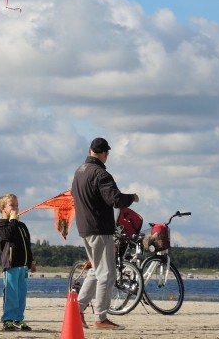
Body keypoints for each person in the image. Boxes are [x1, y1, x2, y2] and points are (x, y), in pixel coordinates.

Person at [71, 137, 139, 331]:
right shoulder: (101, 173)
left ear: (90, 150)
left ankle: (78, 309)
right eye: (107, 153)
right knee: (107, 274)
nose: (107, 156)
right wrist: (131, 197)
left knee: (95, 271)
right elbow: (115, 200)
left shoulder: (79, 172)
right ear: (104, 153)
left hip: (84, 227)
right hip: (100, 228)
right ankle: (100, 318)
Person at [0, 194, 35, 331]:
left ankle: (19, 318)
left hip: (23, 265)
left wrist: (31, 261)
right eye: (12, 205)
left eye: (17, 205)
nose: (16, 208)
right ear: (3, 208)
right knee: (11, 293)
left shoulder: (21, 225)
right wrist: (12, 220)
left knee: (21, 294)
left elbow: (27, 244)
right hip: (10, 265)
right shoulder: (1, 224)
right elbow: (8, 235)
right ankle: (8, 319)